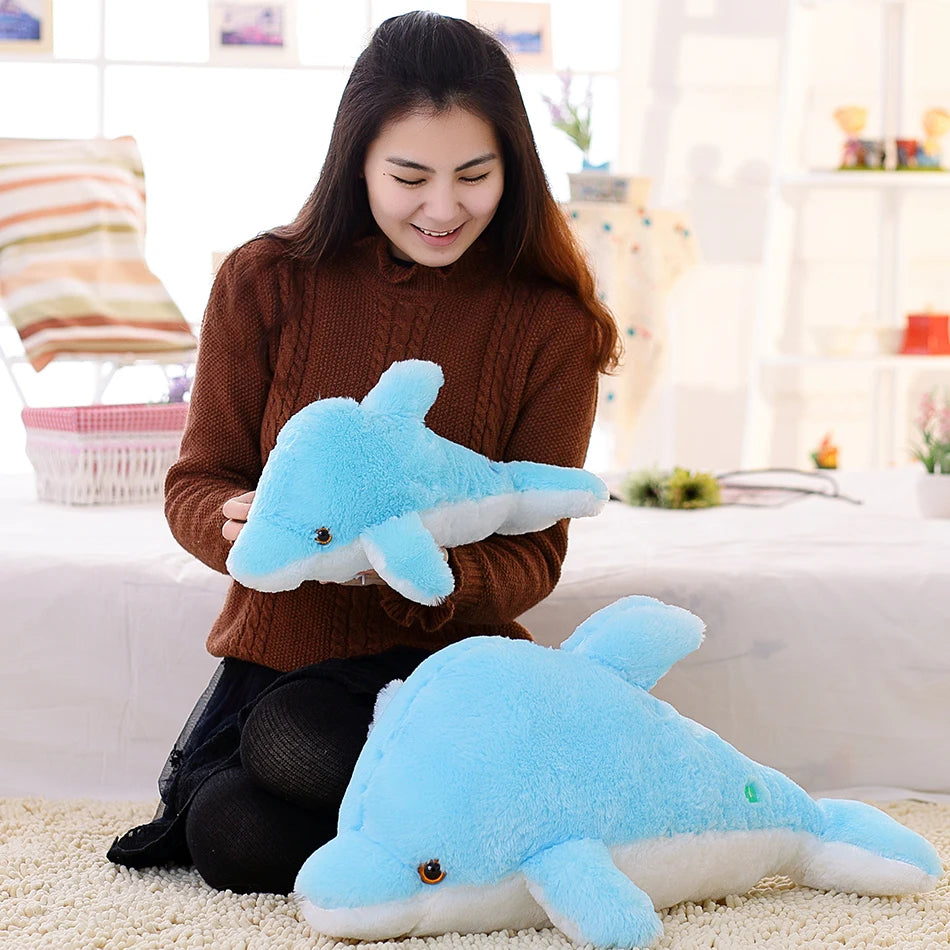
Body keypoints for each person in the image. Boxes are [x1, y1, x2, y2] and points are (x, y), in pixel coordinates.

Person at [108, 9, 620, 895]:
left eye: (474, 175)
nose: (443, 208)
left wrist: (416, 571)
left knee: (297, 743)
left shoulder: (552, 324)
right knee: (231, 833)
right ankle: (481, 839)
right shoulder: (265, 280)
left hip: (446, 671)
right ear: (357, 162)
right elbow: (199, 478)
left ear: (514, 169)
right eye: (410, 177)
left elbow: (536, 553)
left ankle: (474, 823)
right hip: (280, 663)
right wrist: (241, 527)